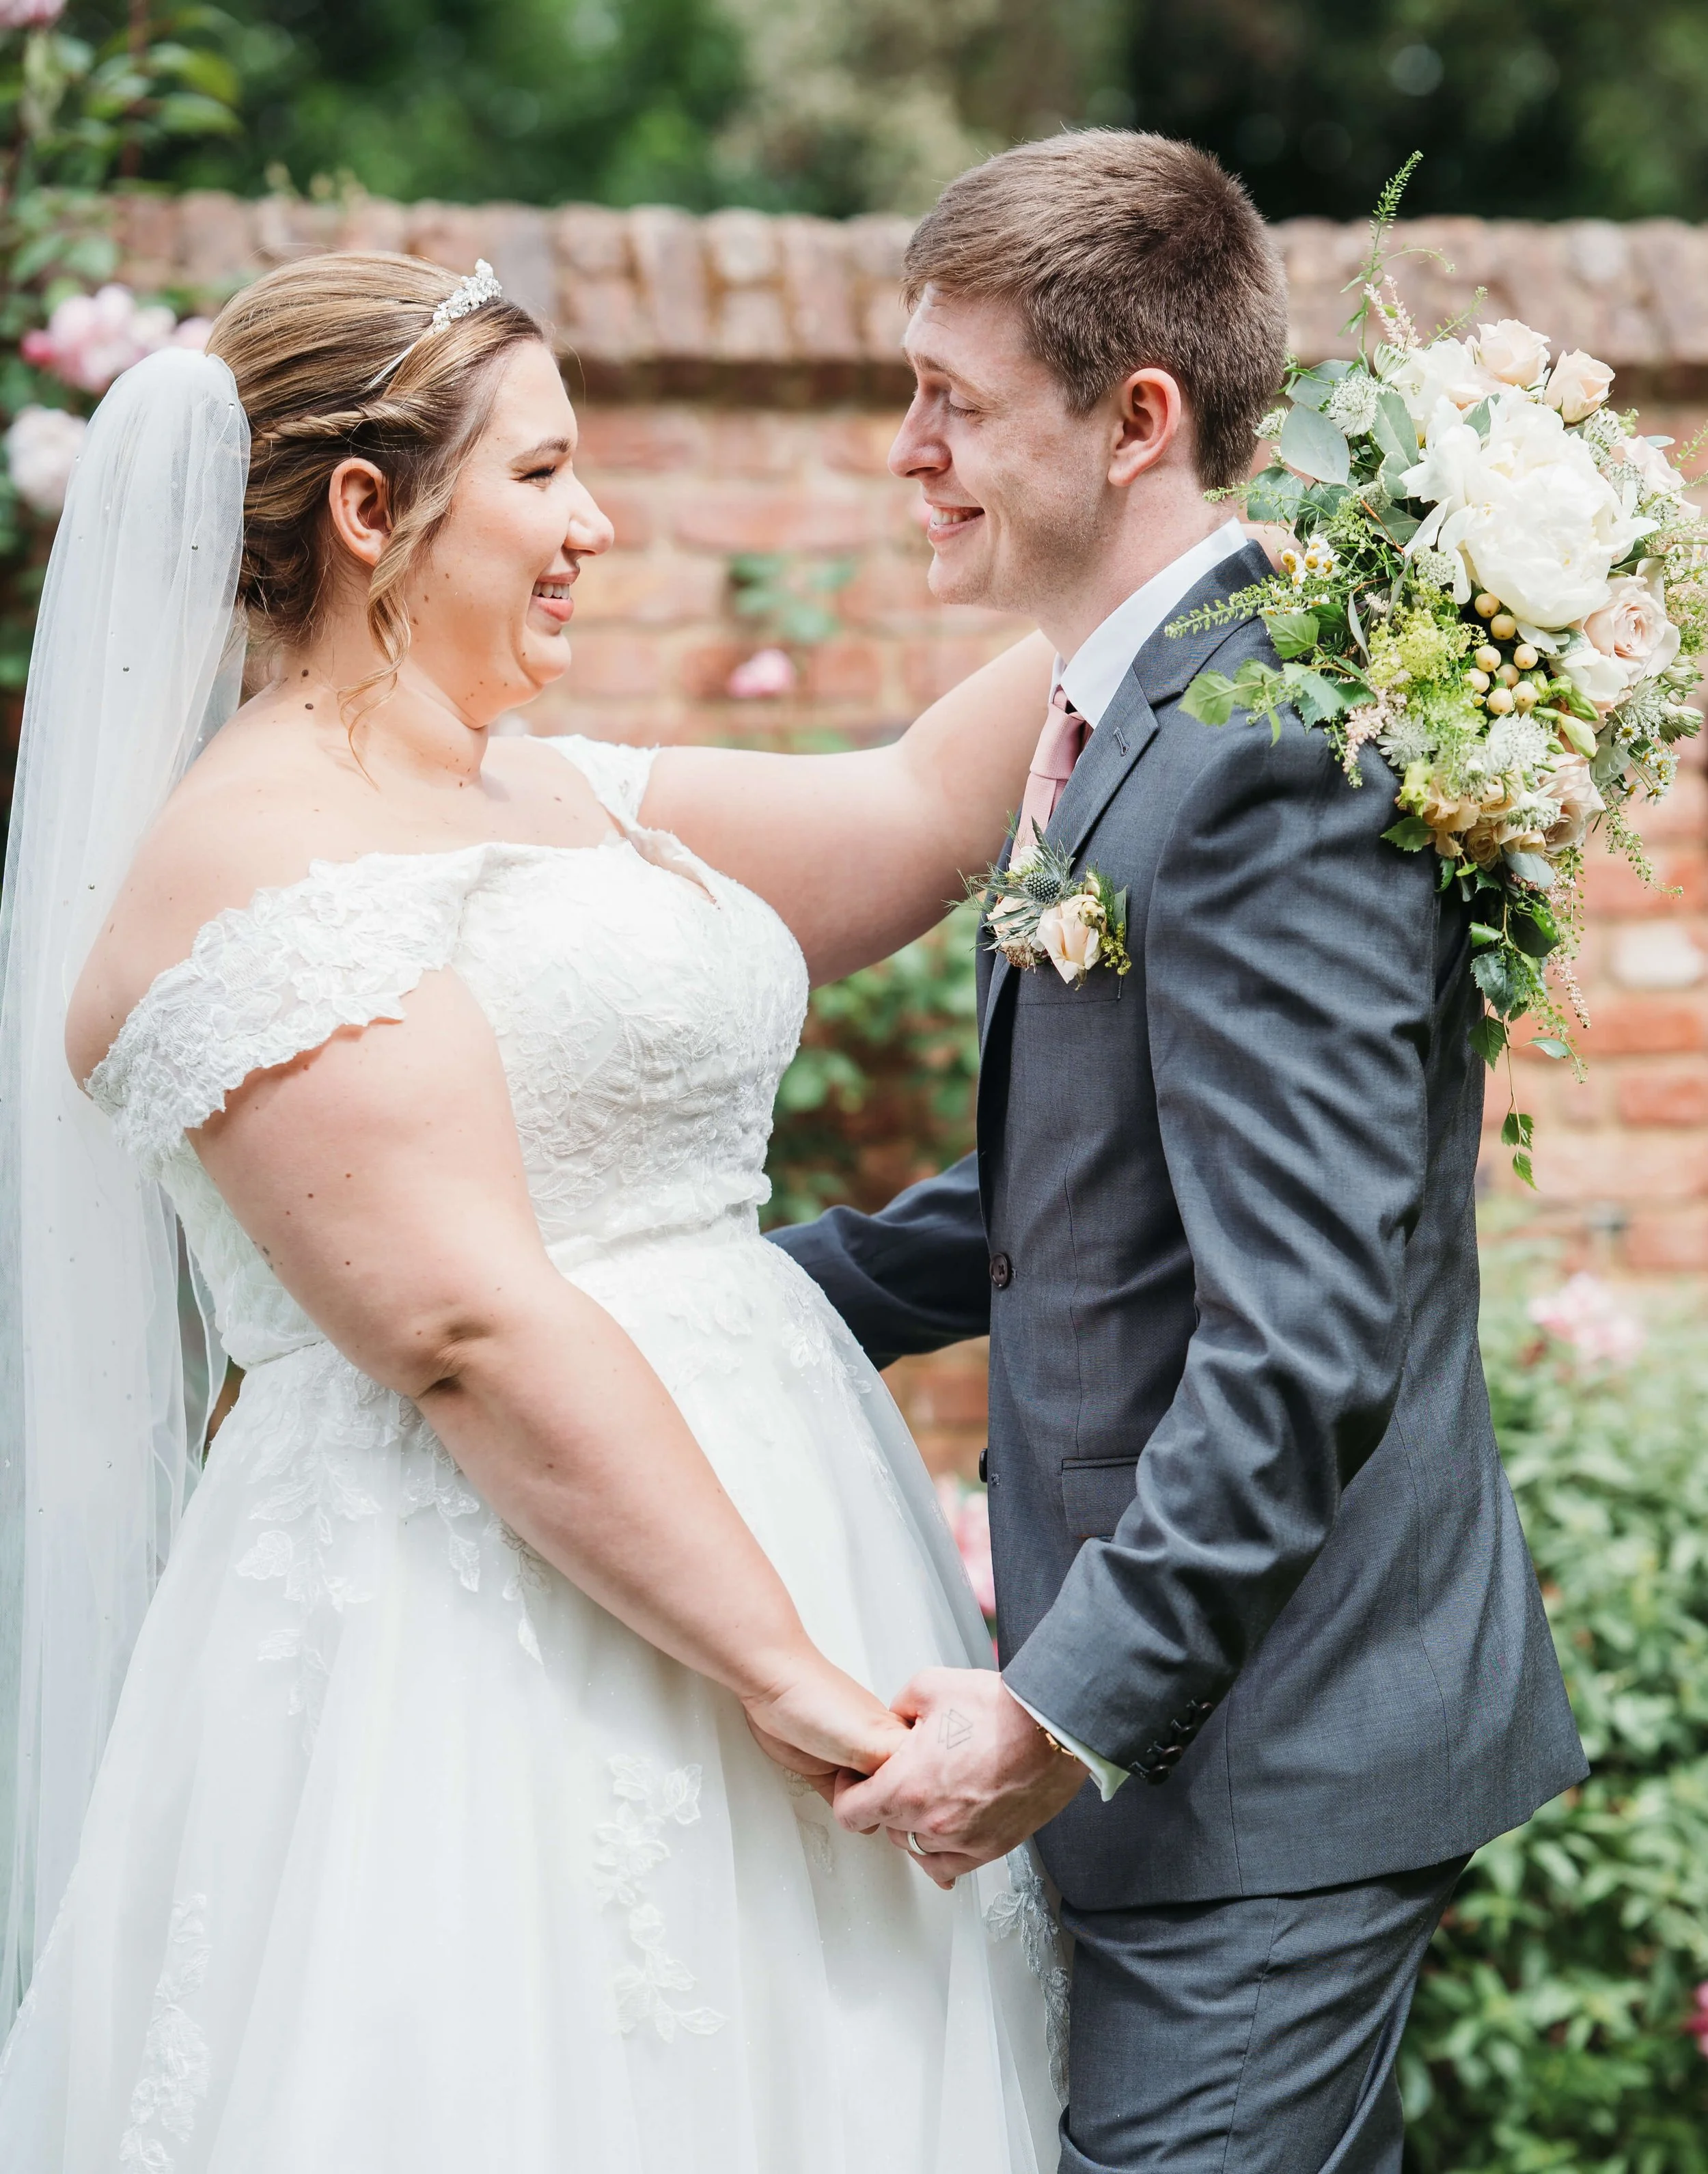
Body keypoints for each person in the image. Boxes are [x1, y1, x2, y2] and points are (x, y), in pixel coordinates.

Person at [0, 251, 1067, 2171]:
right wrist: (793, 1676)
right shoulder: (251, 854)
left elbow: (915, 809)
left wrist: (1185, 564)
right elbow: (465, 1327)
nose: (593, 525)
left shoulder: (554, 787)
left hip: (765, 1545)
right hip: (481, 1642)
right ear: (366, 514)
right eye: (543, 475)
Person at [769, 131, 1589, 2174]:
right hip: (1201, 1772)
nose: (905, 453)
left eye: (949, 402)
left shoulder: (1259, 757)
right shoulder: (1142, 714)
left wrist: (1049, 1722)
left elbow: (1294, 1333)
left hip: (1270, 1762)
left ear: (1135, 418)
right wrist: (712, 1296)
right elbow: (1072, 1208)